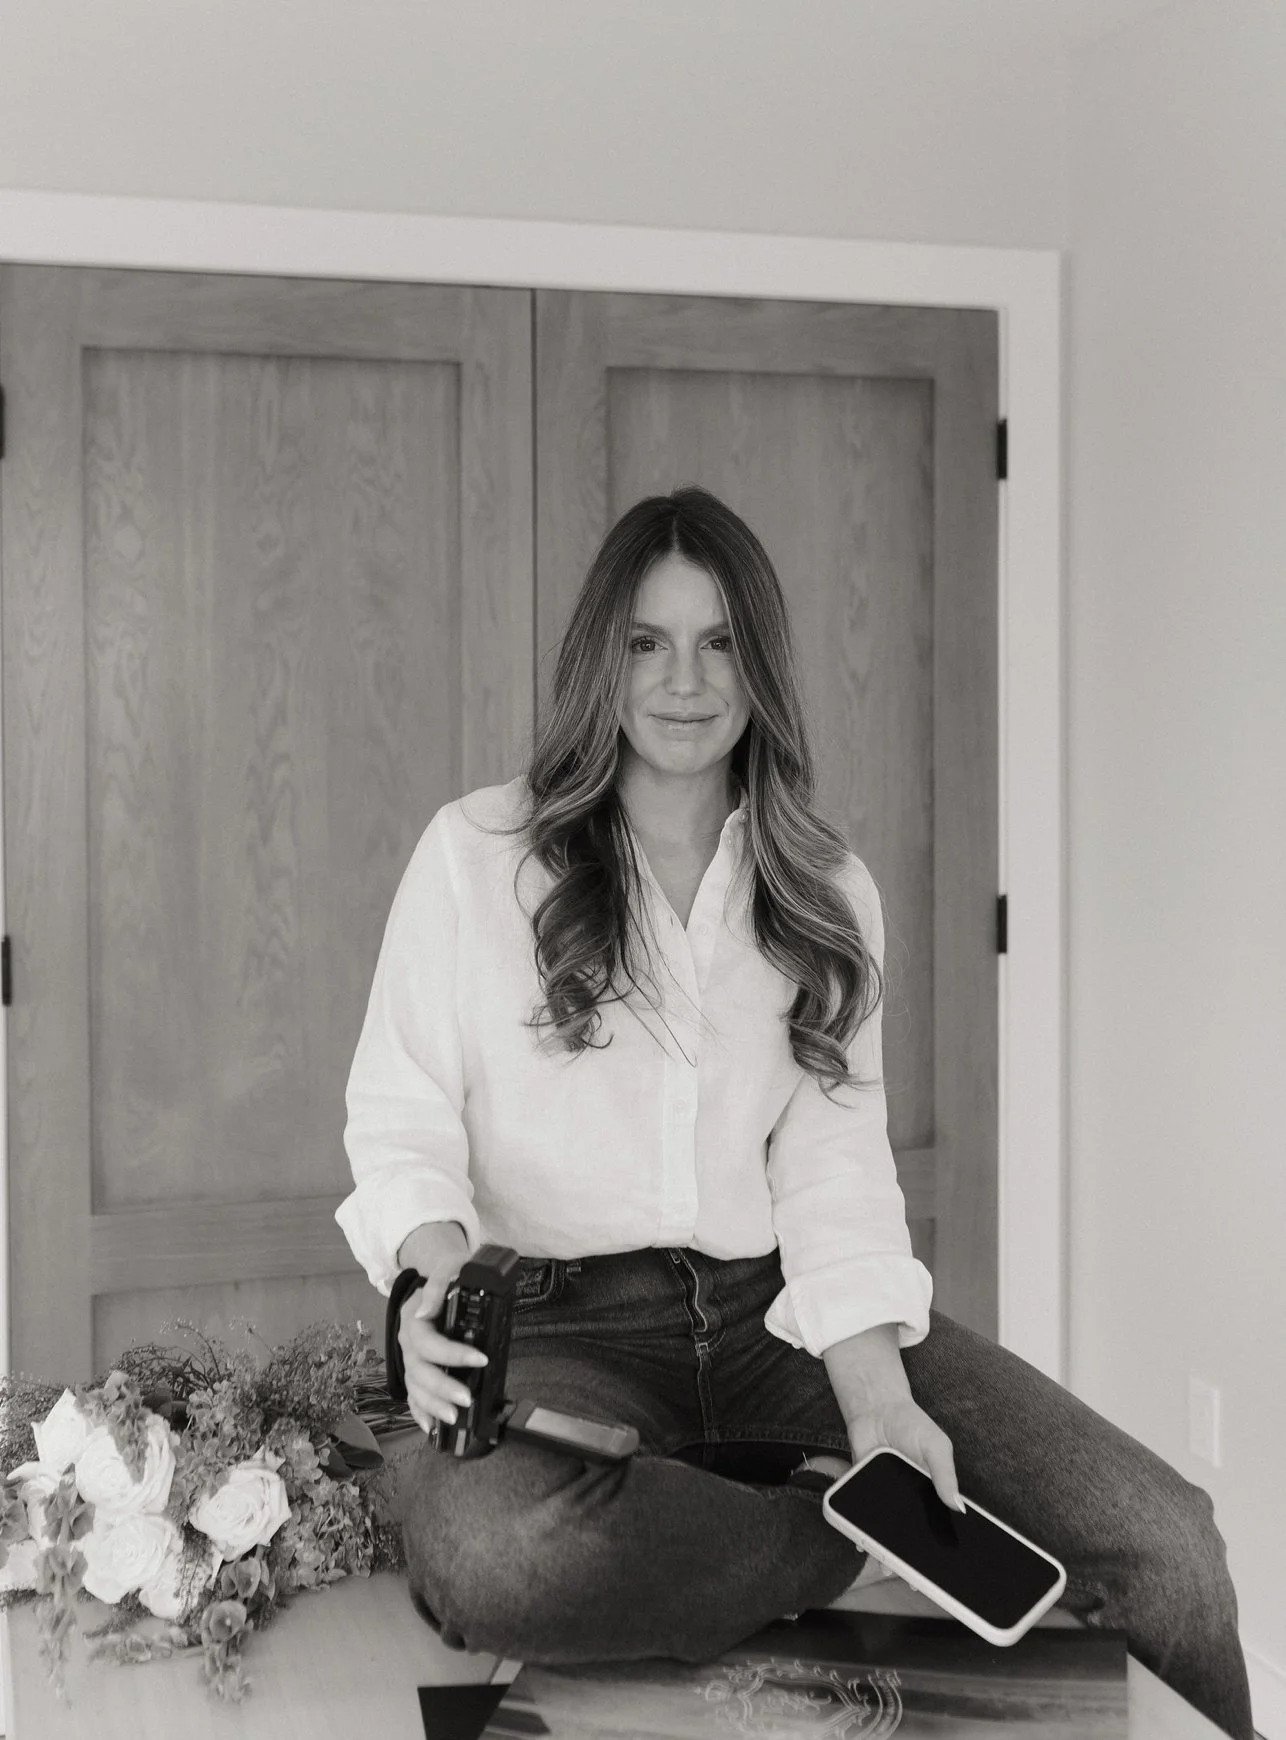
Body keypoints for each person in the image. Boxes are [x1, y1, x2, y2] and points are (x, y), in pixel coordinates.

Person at [336, 486, 1253, 1740]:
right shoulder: (475, 856)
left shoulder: (826, 893)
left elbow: (831, 1167)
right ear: (600, 659)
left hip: (779, 1318)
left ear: (759, 663)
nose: (684, 681)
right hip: (558, 1327)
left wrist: (877, 1405)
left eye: (718, 642)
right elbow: (399, 1119)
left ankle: (777, 1515)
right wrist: (435, 1282)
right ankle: (833, 1531)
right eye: (647, 642)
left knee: (1167, 1547)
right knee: (497, 1557)